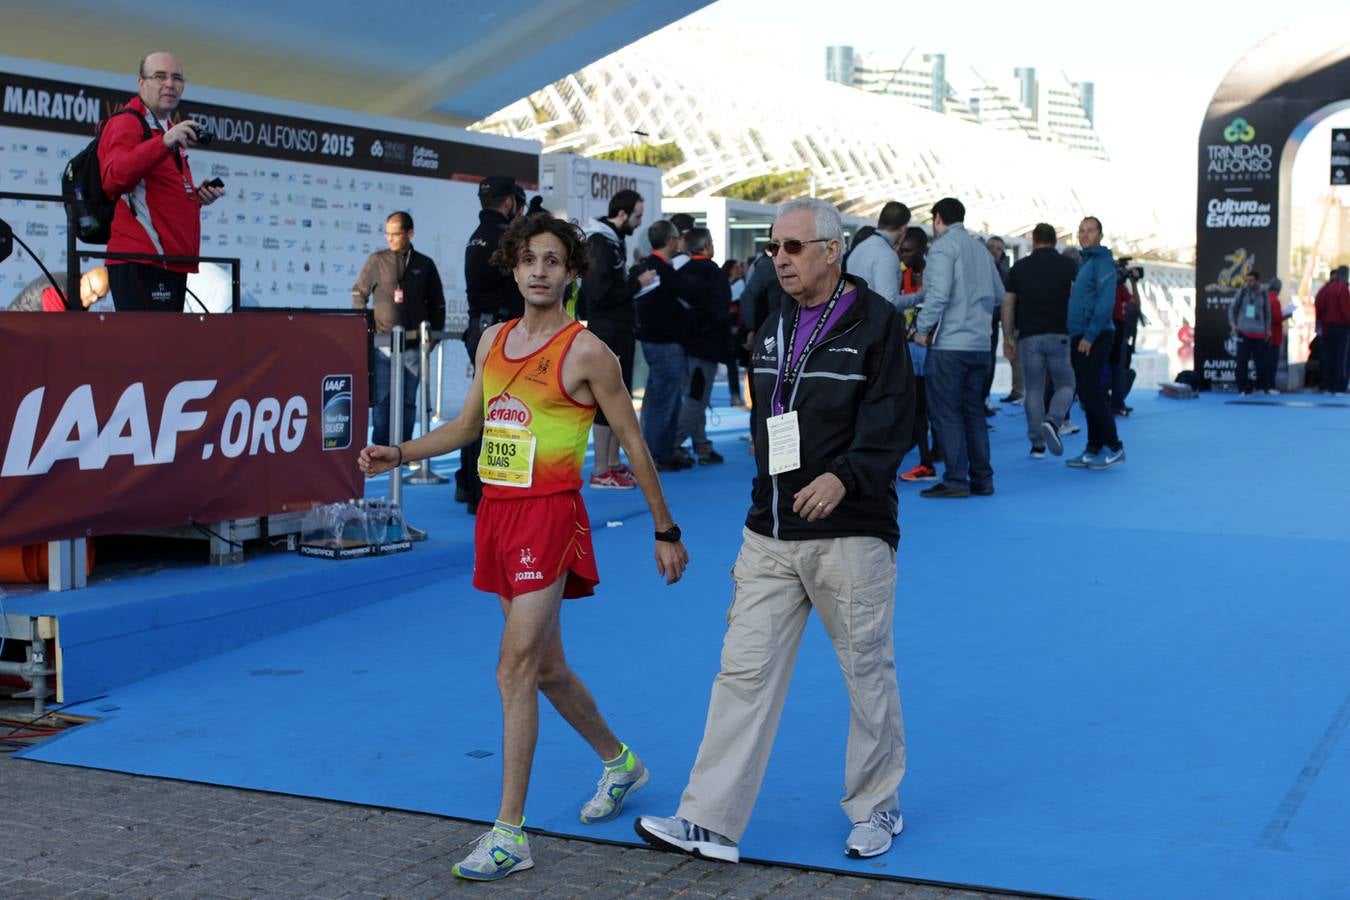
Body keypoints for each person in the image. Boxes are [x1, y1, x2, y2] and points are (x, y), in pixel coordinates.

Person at [359, 214, 688, 881]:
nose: (539, 270)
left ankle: (510, 834)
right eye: (529, 259)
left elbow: (632, 441)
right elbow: (465, 427)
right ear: (512, 268)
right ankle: (621, 763)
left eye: (553, 260)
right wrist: (398, 452)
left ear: (570, 273)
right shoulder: (492, 341)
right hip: (497, 515)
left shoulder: (587, 352)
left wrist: (664, 528)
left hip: (549, 518)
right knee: (546, 670)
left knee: (513, 668)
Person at [635, 197, 913, 863]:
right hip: (771, 530)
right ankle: (709, 820)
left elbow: (893, 418)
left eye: (793, 247)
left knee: (864, 672)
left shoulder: (876, 322)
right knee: (742, 673)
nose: (779, 258)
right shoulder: (771, 325)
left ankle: (877, 805)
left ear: (831, 250)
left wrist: (844, 477)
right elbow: (770, 427)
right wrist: (764, 503)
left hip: (850, 529)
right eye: (772, 249)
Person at [100, 52, 225, 311]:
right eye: (160, 76)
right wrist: (164, 142)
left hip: (171, 261)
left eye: (177, 78)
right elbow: (113, 179)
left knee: (166, 350)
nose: (170, 83)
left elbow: (158, 196)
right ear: (141, 83)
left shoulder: (166, 128)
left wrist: (197, 199)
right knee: (146, 350)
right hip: (140, 260)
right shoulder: (127, 122)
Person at [913, 198, 1002, 498]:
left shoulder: (942, 248)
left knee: (947, 412)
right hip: (980, 343)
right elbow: (999, 294)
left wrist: (921, 329)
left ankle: (955, 479)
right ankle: (982, 478)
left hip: (950, 343)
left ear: (938, 218)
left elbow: (938, 295)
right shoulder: (981, 249)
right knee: (974, 412)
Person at [460, 175, 527, 512]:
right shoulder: (504, 240)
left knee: (481, 407)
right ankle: (479, 490)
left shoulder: (477, 237)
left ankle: (467, 484)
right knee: (494, 413)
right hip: (499, 332)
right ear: (508, 203)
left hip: (482, 328)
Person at [351, 211, 447, 448]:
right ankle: (380, 448)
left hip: (414, 345)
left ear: (409, 233)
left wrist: (433, 336)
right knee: (383, 398)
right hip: (383, 344)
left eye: (395, 234)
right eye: (387, 234)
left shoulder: (424, 264)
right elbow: (358, 294)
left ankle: (403, 449)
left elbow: (438, 303)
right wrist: (367, 329)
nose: (390, 239)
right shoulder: (376, 260)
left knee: (407, 400)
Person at [580, 189, 653, 488]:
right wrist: (636, 282)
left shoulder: (611, 240)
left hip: (617, 327)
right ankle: (601, 467)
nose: (639, 223)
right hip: (607, 328)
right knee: (605, 396)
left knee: (616, 396)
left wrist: (632, 278)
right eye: (636, 216)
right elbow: (599, 293)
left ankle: (610, 462)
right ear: (621, 214)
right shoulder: (600, 242)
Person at [1002, 223, 1077, 458]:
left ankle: (1037, 445)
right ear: (1055, 241)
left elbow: (1008, 304)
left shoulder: (1019, 268)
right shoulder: (1069, 266)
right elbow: (1076, 299)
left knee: (1033, 389)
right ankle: (1053, 421)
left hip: (1029, 337)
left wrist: (1007, 337)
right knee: (1066, 385)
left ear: (1033, 241)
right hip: (1059, 334)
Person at [1064, 216, 1125, 468]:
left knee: (1092, 392)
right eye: (1081, 230)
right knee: (1089, 394)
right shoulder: (1085, 262)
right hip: (1080, 334)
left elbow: (1105, 302)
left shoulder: (1102, 262)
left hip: (1095, 335)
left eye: (1090, 230)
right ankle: (1093, 447)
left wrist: (1090, 336)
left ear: (1100, 234)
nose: (1085, 234)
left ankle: (1114, 446)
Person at [673, 227, 732, 466]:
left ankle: (702, 446)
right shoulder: (714, 274)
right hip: (705, 346)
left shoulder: (681, 272)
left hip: (683, 344)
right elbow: (719, 311)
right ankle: (672, 443)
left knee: (692, 396)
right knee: (697, 399)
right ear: (706, 245)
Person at [635, 220, 690, 470]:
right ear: (670, 241)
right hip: (665, 342)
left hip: (653, 340)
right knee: (664, 400)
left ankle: (659, 451)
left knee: (659, 397)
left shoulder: (648, 266)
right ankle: (657, 454)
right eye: (677, 238)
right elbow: (687, 295)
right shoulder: (663, 270)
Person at [896, 228, 941, 482]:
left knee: (933, 407)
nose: (902, 255)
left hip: (931, 350)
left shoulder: (934, 276)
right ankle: (926, 461)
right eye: (901, 250)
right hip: (909, 352)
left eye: (907, 250)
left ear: (922, 249)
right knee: (917, 409)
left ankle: (934, 455)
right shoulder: (900, 274)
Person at [843, 201, 909, 308]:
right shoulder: (887, 255)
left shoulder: (860, 248)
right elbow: (889, 302)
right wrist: (918, 297)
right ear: (904, 228)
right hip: (873, 322)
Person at [985, 236, 1022, 405]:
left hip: (992, 323)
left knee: (990, 360)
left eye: (998, 248)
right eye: (991, 246)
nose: (994, 250)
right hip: (977, 323)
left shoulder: (1005, 274)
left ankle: (985, 397)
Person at [1228, 271, 1272, 397]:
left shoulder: (1264, 294)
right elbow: (1232, 308)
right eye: (1247, 280)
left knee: (1261, 363)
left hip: (1260, 334)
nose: (1248, 283)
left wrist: (1268, 330)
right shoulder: (1241, 292)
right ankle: (1242, 388)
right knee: (1242, 362)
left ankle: (1261, 387)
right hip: (1244, 332)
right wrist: (1233, 324)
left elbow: (1268, 313)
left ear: (1257, 281)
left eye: (1251, 280)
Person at [1314, 266, 1350, 394]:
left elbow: (1319, 305)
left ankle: (1326, 384)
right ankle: (1339, 385)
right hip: (1341, 326)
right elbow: (1345, 310)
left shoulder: (1326, 289)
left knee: (1328, 356)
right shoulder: (1342, 288)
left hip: (1327, 326)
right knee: (1341, 357)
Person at [8, 267, 110, 312]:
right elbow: (60, 337)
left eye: (100, 297)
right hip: (12, 338)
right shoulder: (57, 292)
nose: (94, 299)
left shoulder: (78, 294)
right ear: (84, 278)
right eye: (93, 292)